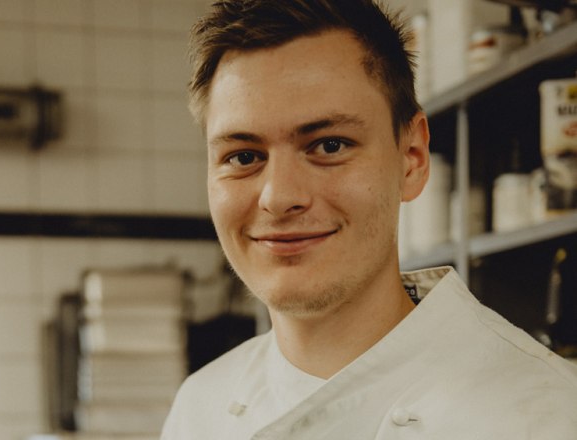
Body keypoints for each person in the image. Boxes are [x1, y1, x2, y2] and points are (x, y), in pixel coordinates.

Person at [161, 0, 577, 438]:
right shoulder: (200, 407)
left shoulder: (546, 414)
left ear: (412, 159)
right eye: (243, 156)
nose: (279, 197)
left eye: (330, 145)